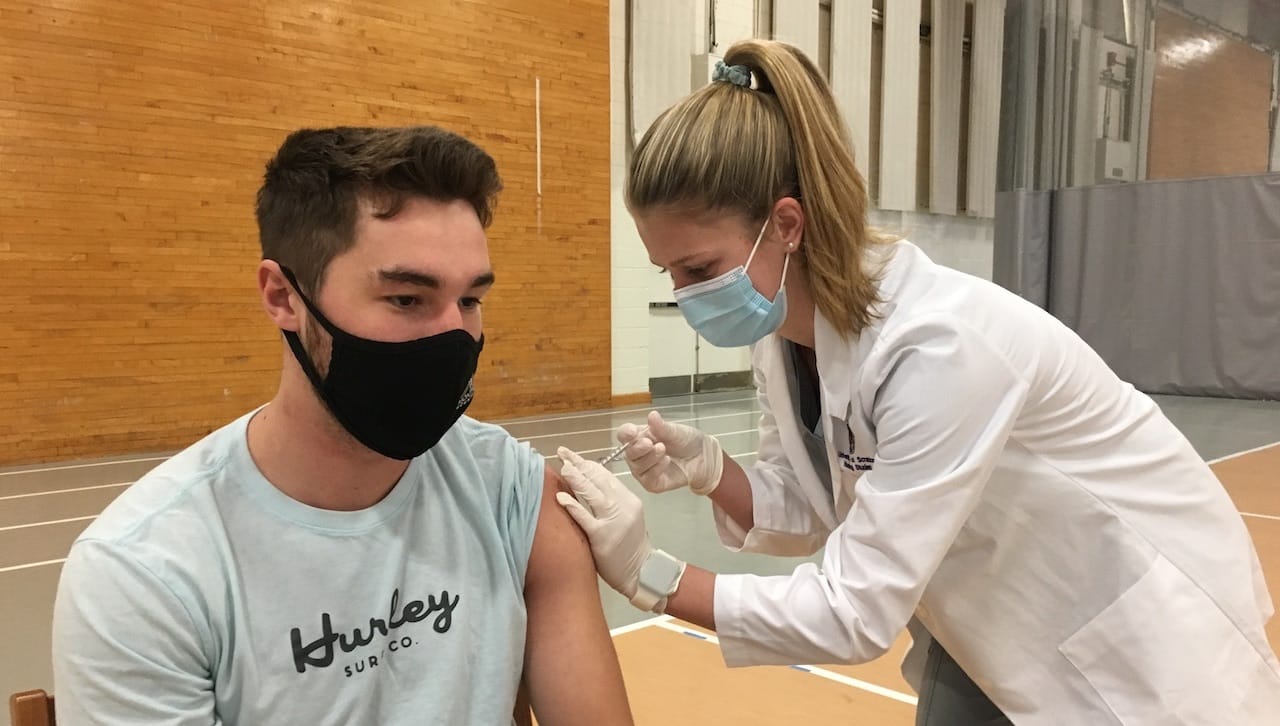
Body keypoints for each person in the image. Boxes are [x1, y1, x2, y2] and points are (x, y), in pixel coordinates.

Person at [554, 40, 1280, 725]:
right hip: (991, 611)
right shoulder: (784, 337)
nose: (683, 295)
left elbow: (853, 614)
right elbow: (810, 508)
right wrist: (710, 471)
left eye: (699, 269)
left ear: (786, 225)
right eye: (669, 273)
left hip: (1134, 630)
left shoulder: (940, 347)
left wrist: (650, 575)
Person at [52, 126, 633, 725]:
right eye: (407, 299)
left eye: (469, 301)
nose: (453, 337)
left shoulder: (511, 492)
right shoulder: (145, 574)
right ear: (283, 296)